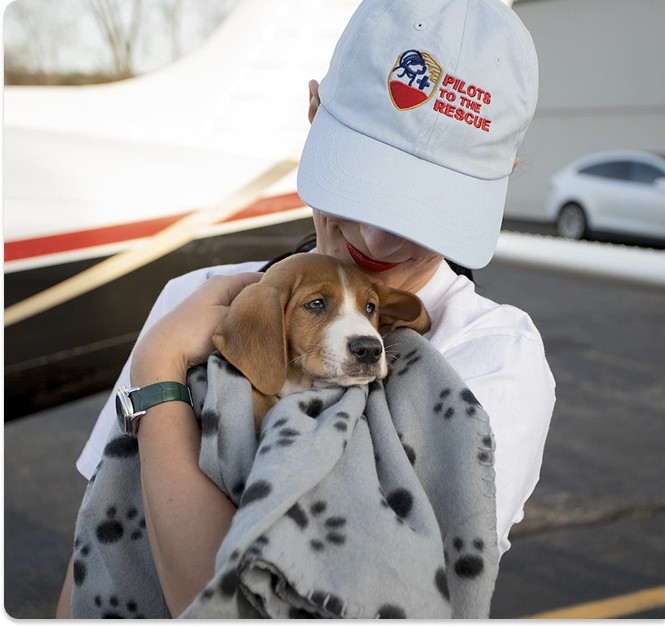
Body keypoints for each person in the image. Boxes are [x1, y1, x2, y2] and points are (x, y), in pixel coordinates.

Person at [57, 0, 555, 618]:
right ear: (314, 111)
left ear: (503, 173)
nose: (375, 242)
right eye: (361, 184)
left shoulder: (489, 360)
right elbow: (94, 556)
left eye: (426, 210)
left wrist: (160, 376)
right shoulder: (199, 292)